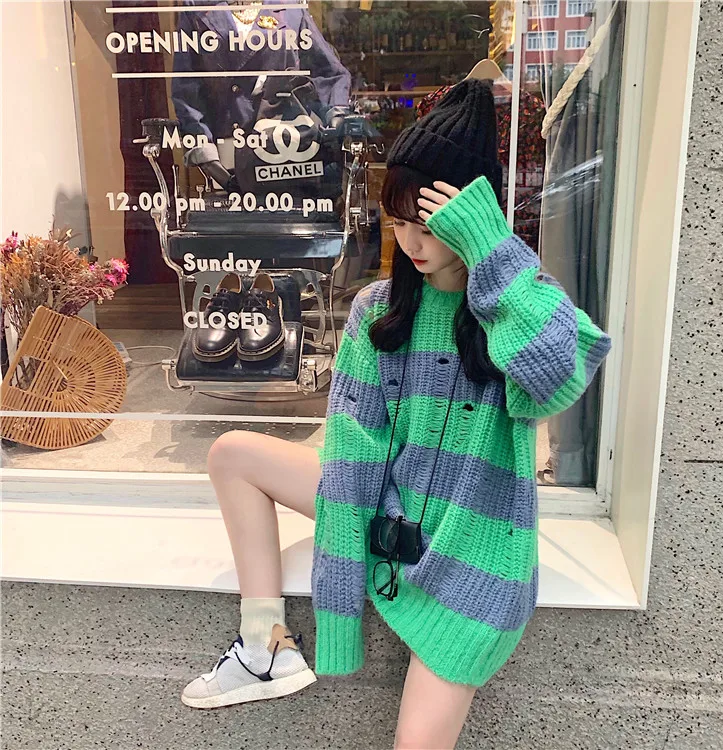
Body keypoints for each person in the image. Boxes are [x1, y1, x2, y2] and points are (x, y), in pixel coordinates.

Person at [181, 79, 613, 749]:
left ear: (470, 217)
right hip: (390, 508)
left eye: (429, 222)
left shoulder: (521, 303)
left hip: (473, 553)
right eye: (400, 220)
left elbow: (558, 378)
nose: (411, 240)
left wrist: (493, 253)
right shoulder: (379, 310)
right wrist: (346, 603)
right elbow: (353, 454)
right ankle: (265, 645)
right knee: (232, 454)